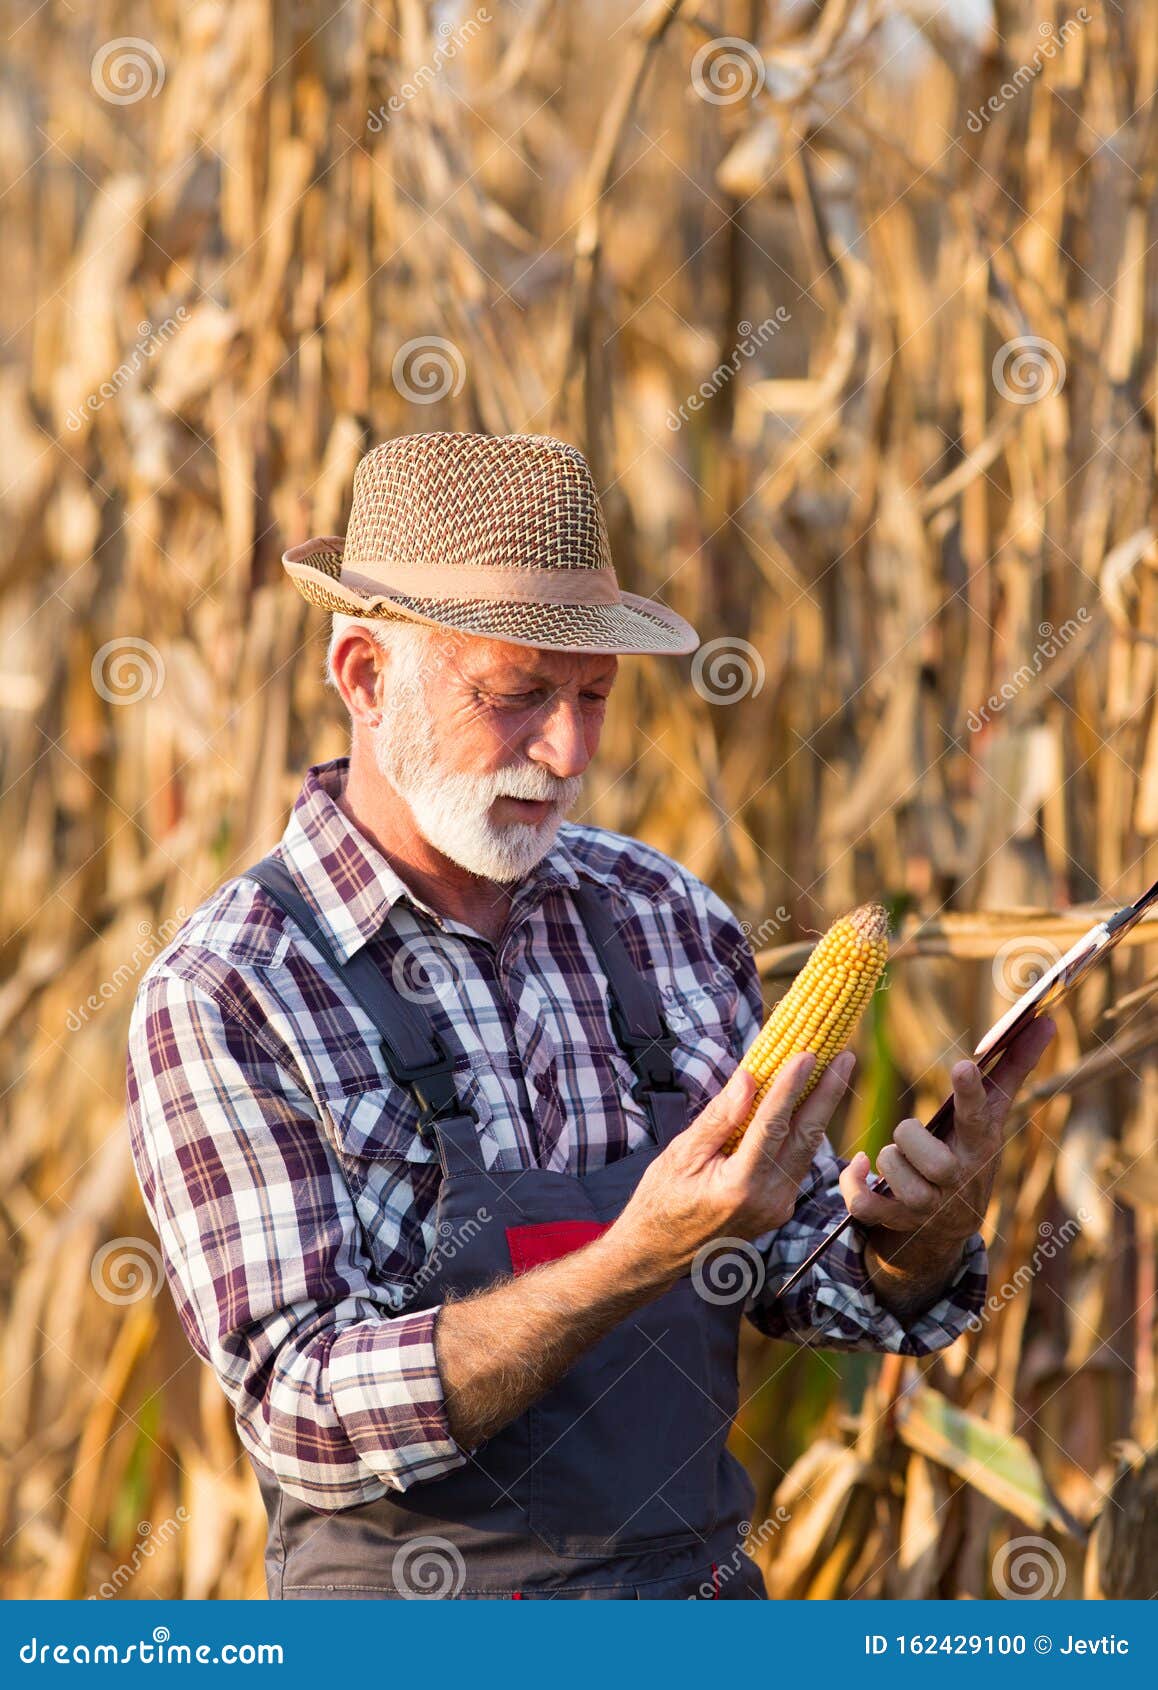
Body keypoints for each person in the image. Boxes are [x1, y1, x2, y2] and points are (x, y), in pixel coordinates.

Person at [126, 431, 1055, 1600]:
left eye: (595, 698)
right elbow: (304, 1409)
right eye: (517, 697)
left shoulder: (665, 915)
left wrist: (915, 1240)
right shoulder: (234, 989)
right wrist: (632, 1256)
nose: (567, 752)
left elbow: (793, 1275)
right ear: (364, 675)